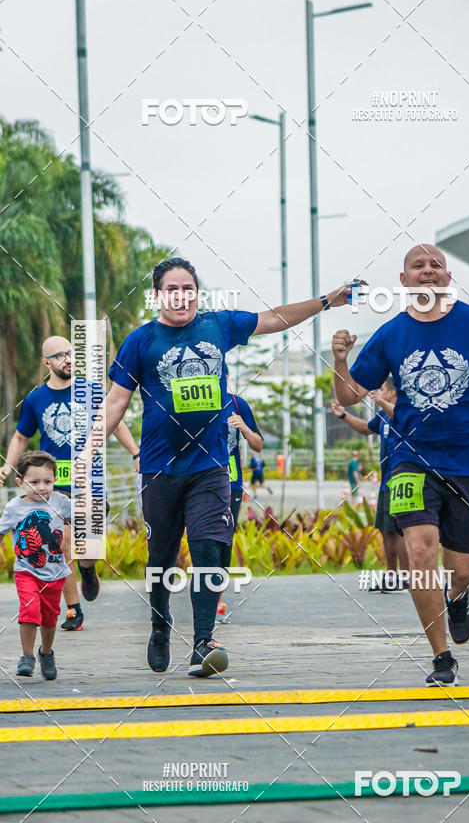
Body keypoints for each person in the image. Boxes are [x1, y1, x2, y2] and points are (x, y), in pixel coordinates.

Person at [85, 256, 350, 678]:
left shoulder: (217, 325)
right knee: (162, 559)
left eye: (188, 288)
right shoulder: (141, 341)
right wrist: (88, 451)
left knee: (208, 548)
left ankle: (204, 641)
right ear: (157, 295)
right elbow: (116, 401)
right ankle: (159, 626)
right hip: (159, 468)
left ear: (197, 293)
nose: (181, 296)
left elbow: (274, 318)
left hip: (210, 466)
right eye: (172, 289)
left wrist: (325, 301)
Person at [332, 243, 469, 685]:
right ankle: (441, 656)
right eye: (417, 266)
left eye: (436, 265)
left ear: (448, 278)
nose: (428, 271)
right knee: (419, 550)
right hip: (411, 459)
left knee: (461, 568)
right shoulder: (391, 333)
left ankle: (458, 596)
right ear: (404, 282)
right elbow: (349, 396)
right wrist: (340, 360)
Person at [0, 336, 139, 630]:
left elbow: (116, 423)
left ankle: (88, 569)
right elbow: (21, 437)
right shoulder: (36, 398)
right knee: (61, 545)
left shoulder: (91, 390)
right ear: (46, 362)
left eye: (70, 353)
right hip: (54, 485)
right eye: (59, 355)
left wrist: (136, 453)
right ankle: (74, 610)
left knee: (86, 547)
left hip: (90, 482)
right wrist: (8, 465)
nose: (67, 359)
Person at [332, 382, 410, 592]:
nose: (379, 392)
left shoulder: (404, 410)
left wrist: (381, 401)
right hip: (386, 482)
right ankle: (391, 576)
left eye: (383, 389)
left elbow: (399, 415)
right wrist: (343, 415)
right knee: (387, 531)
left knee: (401, 531)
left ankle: (406, 577)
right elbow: (366, 428)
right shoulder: (383, 417)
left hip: (404, 479)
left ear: (393, 392)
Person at [0, 451, 72, 679]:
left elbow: (84, 516)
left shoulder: (61, 501)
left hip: (55, 573)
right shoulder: (14, 507)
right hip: (26, 571)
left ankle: (46, 652)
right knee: (30, 610)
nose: (42, 487)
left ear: (55, 481)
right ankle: (27, 656)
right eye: (35, 482)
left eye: (47, 482)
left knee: (50, 619)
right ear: (20, 483)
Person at [217, 368, 263, 622]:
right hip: (198, 480)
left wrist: (244, 427)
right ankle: (205, 593)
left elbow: (258, 444)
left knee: (224, 540)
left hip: (230, 482)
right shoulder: (192, 400)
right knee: (202, 539)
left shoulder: (236, 403)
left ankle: (217, 600)